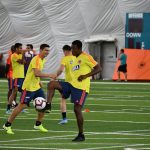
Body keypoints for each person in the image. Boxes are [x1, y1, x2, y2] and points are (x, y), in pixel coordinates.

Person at [45, 40, 101, 142]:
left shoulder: (86, 57)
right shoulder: (73, 58)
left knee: (77, 110)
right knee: (51, 84)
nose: (72, 50)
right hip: (70, 85)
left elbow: (98, 68)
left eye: (74, 48)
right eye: (71, 48)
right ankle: (48, 105)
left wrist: (85, 76)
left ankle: (81, 134)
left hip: (81, 88)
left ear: (79, 48)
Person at [3, 44, 56, 134]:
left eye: (48, 50)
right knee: (21, 106)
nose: (47, 52)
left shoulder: (43, 59)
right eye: (45, 50)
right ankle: (7, 125)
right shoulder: (36, 59)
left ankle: (38, 124)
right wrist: (49, 75)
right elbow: (36, 73)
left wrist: (38, 81)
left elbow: (36, 73)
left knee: (43, 105)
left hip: (37, 87)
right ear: (41, 50)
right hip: (28, 87)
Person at [56, 45, 75, 124]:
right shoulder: (77, 57)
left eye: (63, 52)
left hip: (69, 83)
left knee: (63, 99)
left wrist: (55, 76)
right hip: (78, 83)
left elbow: (61, 69)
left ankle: (64, 119)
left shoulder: (65, 58)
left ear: (66, 51)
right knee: (77, 103)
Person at [6, 43, 25, 114]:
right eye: (20, 48)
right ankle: (8, 108)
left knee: (21, 92)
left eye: (21, 48)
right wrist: (23, 54)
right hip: (17, 77)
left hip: (21, 77)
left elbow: (24, 62)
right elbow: (22, 62)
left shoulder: (19, 55)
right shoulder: (13, 55)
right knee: (14, 93)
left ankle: (18, 107)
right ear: (16, 48)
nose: (21, 49)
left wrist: (22, 55)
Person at [5, 45, 17, 111]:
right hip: (11, 75)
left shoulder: (16, 56)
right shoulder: (11, 56)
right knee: (11, 89)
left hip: (16, 75)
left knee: (15, 89)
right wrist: (6, 73)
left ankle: (14, 103)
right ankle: (9, 103)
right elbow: (7, 65)